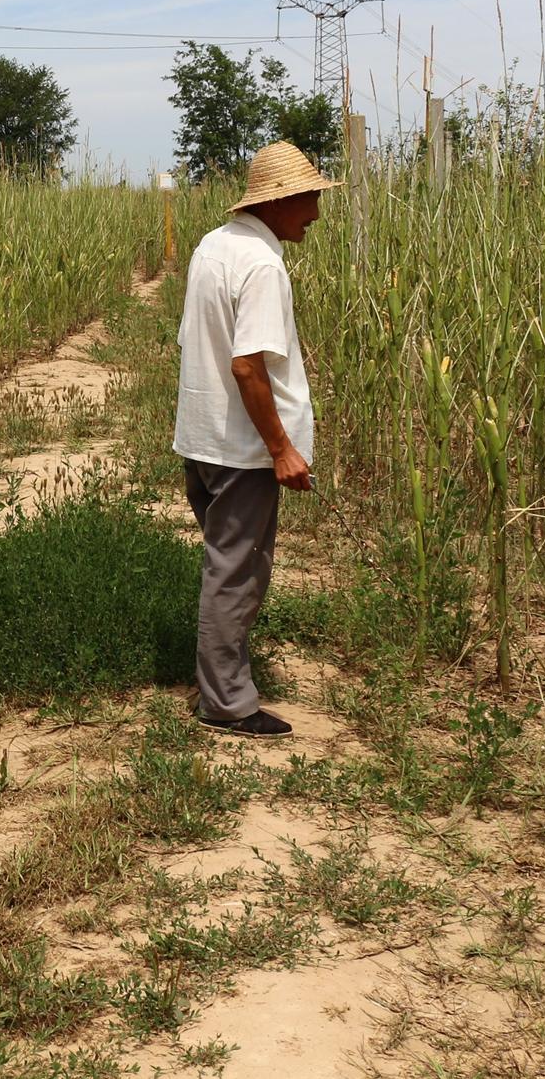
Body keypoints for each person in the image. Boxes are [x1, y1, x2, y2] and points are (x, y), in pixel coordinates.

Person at [172, 141, 338, 737]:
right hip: (242, 451)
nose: (316, 211)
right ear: (281, 201)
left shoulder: (215, 245)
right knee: (236, 573)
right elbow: (248, 366)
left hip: (203, 437)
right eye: (311, 198)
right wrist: (281, 448)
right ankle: (226, 704)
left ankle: (224, 685)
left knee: (227, 564)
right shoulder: (263, 265)